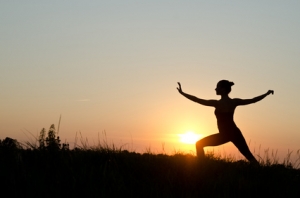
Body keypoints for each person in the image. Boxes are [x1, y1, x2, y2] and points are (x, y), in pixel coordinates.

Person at [176, 80, 274, 164]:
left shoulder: (217, 103)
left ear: (223, 90)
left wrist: (182, 93)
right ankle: (262, 172)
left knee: (199, 144)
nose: (215, 89)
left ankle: (202, 167)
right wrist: (266, 93)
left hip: (225, 134)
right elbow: (253, 100)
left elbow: (197, 100)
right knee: (249, 156)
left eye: (217, 87)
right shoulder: (234, 102)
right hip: (235, 132)